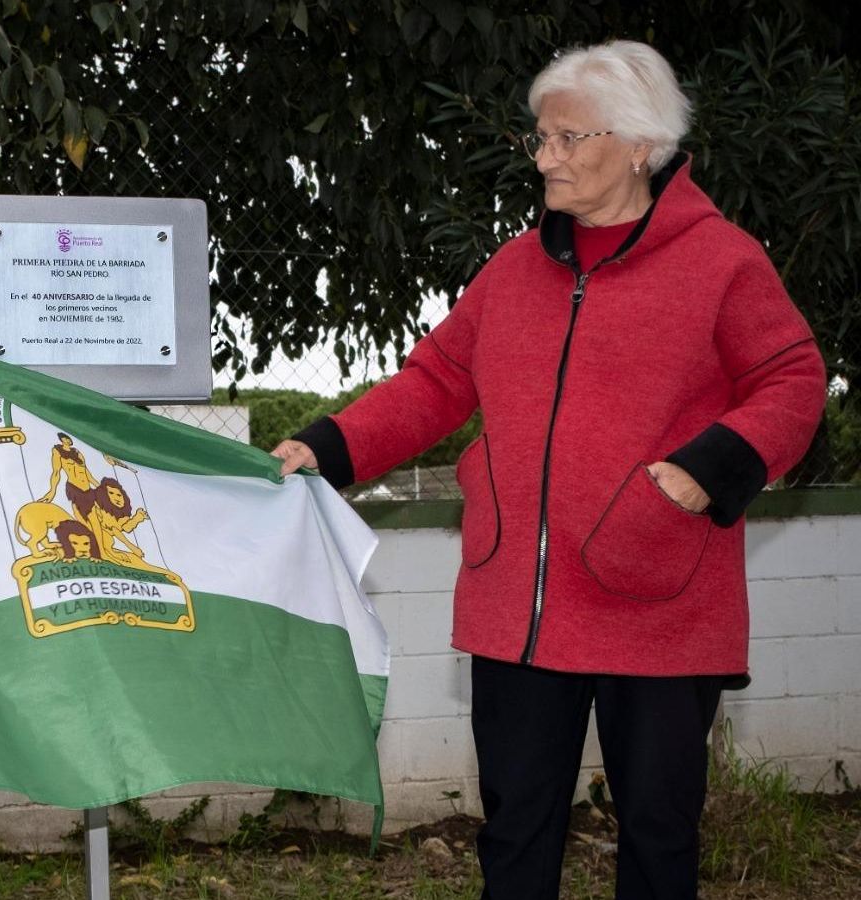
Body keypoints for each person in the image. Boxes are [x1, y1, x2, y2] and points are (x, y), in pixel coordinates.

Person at [272, 40, 825, 900]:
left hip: (661, 599)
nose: (546, 158)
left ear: (640, 145)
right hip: (516, 612)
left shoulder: (723, 262)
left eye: (569, 138)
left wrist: (704, 470)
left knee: (657, 837)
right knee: (517, 832)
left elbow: (792, 382)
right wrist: (329, 447)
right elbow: (436, 381)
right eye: (541, 138)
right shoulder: (513, 269)